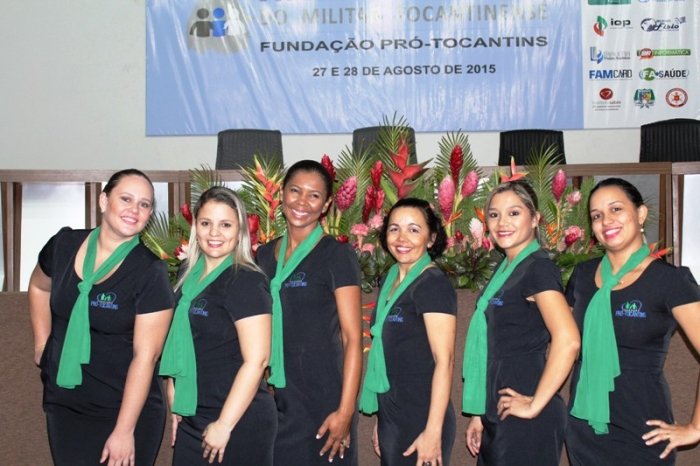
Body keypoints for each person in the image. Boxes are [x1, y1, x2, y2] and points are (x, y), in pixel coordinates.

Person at [27, 168, 175, 466]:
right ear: (104, 201)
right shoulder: (64, 245)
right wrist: (42, 344)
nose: (134, 210)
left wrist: (124, 430)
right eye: (126, 199)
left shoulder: (150, 271)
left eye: (144, 204)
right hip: (66, 404)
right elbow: (39, 287)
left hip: (124, 410)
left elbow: (146, 357)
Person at [565, 177, 700, 465]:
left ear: (640, 214)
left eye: (616, 209)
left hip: (643, 430)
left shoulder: (670, 281)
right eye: (597, 216)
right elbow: (561, 344)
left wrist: (696, 428)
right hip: (584, 429)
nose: (606, 221)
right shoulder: (582, 276)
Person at [463, 181, 580, 466]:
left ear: (535, 218)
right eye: (494, 214)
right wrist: (479, 414)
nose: (502, 222)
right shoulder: (506, 269)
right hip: (499, 409)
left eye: (514, 213)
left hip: (525, 411)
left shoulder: (538, 267)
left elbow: (568, 340)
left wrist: (534, 403)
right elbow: (493, 348)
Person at [256, 160, 363, 465]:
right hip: (277, 397)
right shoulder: (264, 255)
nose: (302, 202)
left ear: (326, 204)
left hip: (324, 398)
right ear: (282, 194)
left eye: (314, 195)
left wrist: (345, 411)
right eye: (295, 191)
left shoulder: (337, 255)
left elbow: (352, 338)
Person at [160, 186, 276, 466]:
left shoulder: (246, 280)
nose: (214, 233)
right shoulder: (188, 277)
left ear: (240, 231)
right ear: (195, 228)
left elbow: (257, 360)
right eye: (206, 223)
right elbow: (181, 343)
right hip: (193, 414)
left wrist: (224, 424)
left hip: (236, 419)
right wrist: (176, 398)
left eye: (225, 225)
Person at [360, 197, 458, 466]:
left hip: (423, 417)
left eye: (414, 229)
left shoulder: (432, 284)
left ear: (431, 238)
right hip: (393, 415)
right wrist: (382, 421)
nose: (402, 238)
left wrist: (433, 432)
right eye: (394, 229)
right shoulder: (392, 277)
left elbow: (445, 361)